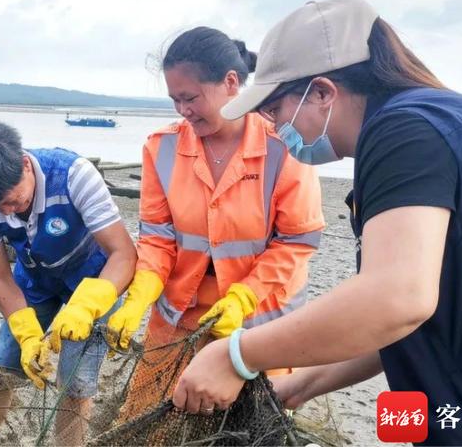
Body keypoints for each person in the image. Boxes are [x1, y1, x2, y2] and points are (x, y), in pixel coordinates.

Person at [172, 0, 462, 446]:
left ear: (322, 91)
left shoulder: (405, 132)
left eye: (274, 111)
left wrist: (236, 355)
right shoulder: (454, 117)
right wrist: (299, 383)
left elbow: (398, 298)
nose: (273, 127)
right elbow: (402, 318)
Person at [104, 27, 324, 417]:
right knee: (149, 420)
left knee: (250, 428)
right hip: (178, 319)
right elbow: (157, 239)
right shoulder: (162, 148)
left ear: (231, 83)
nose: (183, 111)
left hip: (260, 322)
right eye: (175, 100)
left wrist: (243, 298)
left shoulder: (284, 146)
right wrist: (137, 296)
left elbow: (297, 241)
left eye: (190, 97)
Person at [0, 121, 136, 446]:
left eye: (14, 202)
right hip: (34, 278)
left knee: (74, 385)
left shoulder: (75, 175)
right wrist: (26, 330)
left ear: (25, 165)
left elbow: (124, 254)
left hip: (95, 278)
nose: (6, 213)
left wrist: (88, 305)